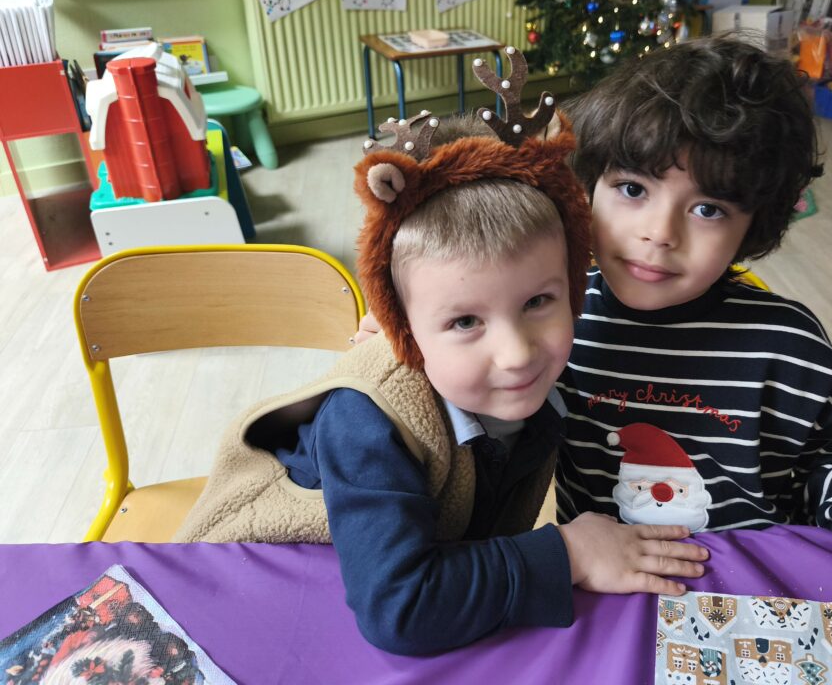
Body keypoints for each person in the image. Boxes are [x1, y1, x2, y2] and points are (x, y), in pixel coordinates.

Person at [175, 49, 709, 655]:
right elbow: (401, 609)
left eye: (538, 301)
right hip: (229, 616)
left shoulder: (523, 383)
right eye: (464, 320)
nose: (516, 354)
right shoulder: (365, 426)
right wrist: (568, 553)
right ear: (403, 328)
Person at [555, 36, 832, 613]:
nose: (659, 233)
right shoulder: (553, 316)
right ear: (588, 187)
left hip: (758, 603)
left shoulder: (787, 346)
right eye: (632, 189)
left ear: (753, 225)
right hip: (604, 601)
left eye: (708, 209)